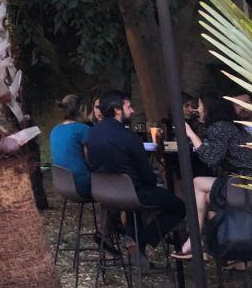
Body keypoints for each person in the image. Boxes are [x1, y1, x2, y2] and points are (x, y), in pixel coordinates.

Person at [86, 90, 185, 262]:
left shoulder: (92, 133)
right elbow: (146, 175)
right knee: (178, 206)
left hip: (103, 193)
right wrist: (156, 181)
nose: (132, 111)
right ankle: (143, 240)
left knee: (134, 204)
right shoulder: (129, 137)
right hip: (132, 193)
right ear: (117, 110)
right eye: (129, 106)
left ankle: (133, 241)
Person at [174, 94, 252, 259]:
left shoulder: (220, 128)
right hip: (243, 183)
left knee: (197, 183)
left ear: (210, 109)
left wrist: (190, 134)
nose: (197, 109)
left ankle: (195, 240)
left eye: (200, 105)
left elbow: (210, 158)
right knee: (205, 194)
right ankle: (201, 242)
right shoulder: (232, 127)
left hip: (243, 184)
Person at [49, 95, 92, 199]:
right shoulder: (83, 129)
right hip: (82, 186)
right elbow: (90, 160)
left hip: (62, 185)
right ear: (81, 109)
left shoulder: (55, 130)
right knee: (111, 186)